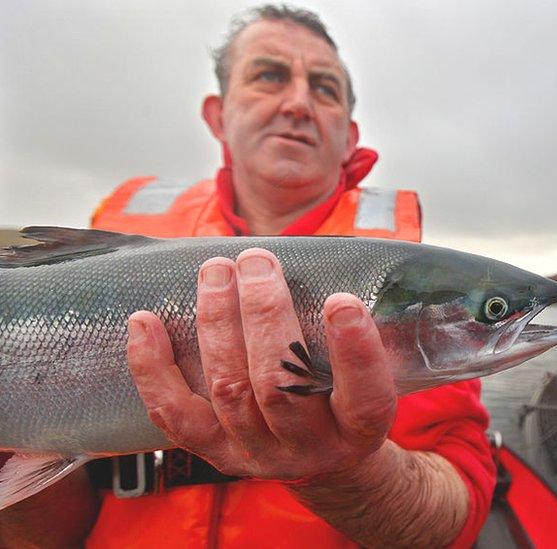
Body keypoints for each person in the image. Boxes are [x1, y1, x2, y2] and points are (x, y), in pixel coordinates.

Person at [0, 5, 493, 547]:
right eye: (269, 76)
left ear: (350, 136)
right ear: (218, 114)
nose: (299, 103)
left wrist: (344, 473)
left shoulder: (410, 287)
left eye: (325, 88)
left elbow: (454, 514)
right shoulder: (107, 241)